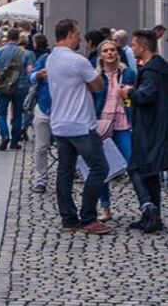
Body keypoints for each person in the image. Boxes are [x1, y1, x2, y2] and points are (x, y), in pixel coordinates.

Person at [45, 19, 110, 235]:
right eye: (78, 33)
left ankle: (69, 219)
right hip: (81, 124)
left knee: (64, 172)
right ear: (70, 34)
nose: (80, 38)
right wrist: (89, 84)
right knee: (100, 168)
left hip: (60, 123)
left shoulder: (50, 58)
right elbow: (99, 85)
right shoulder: (77, 61)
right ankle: (88, 217)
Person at [123, 30, 168, 233]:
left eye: (134, 45)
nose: (132, 49)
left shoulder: (151, 70)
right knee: (150, 171)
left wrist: (129, 92)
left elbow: (147, 95)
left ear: (143, 47)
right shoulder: (159, 67)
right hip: (156, 125)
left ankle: (149, 209)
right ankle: (152, 216)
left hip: (150, 127)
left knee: (136, 168)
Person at [92, 39, 136, 222]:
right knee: (103, 168)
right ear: (100, 55)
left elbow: (134, 97)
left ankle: (146, 204)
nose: (110, 53)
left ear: (117, 53)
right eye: (106, 51)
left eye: (112, 50)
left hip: (123, 122)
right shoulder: (96, 76)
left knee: (132, 163)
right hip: (102, 123)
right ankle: (105, 207)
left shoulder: (128, 73)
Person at [0, 29, 35, 151]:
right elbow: (30, 71)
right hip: (20, 86)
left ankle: (4, 135)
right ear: (18, 39)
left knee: (1, 112)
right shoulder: (26, 53)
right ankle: (15, 141)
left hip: (4, 86)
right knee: (18, 113)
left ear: (8, 37)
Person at [29, 46, 53, 194]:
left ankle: (67, 176)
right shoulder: (45, 59)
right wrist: (38, 74)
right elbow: (31, 77)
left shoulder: (74, 61)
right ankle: (41, 179)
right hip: (44, 107)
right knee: (41, 147)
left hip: (64, 110)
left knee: (68, 147)